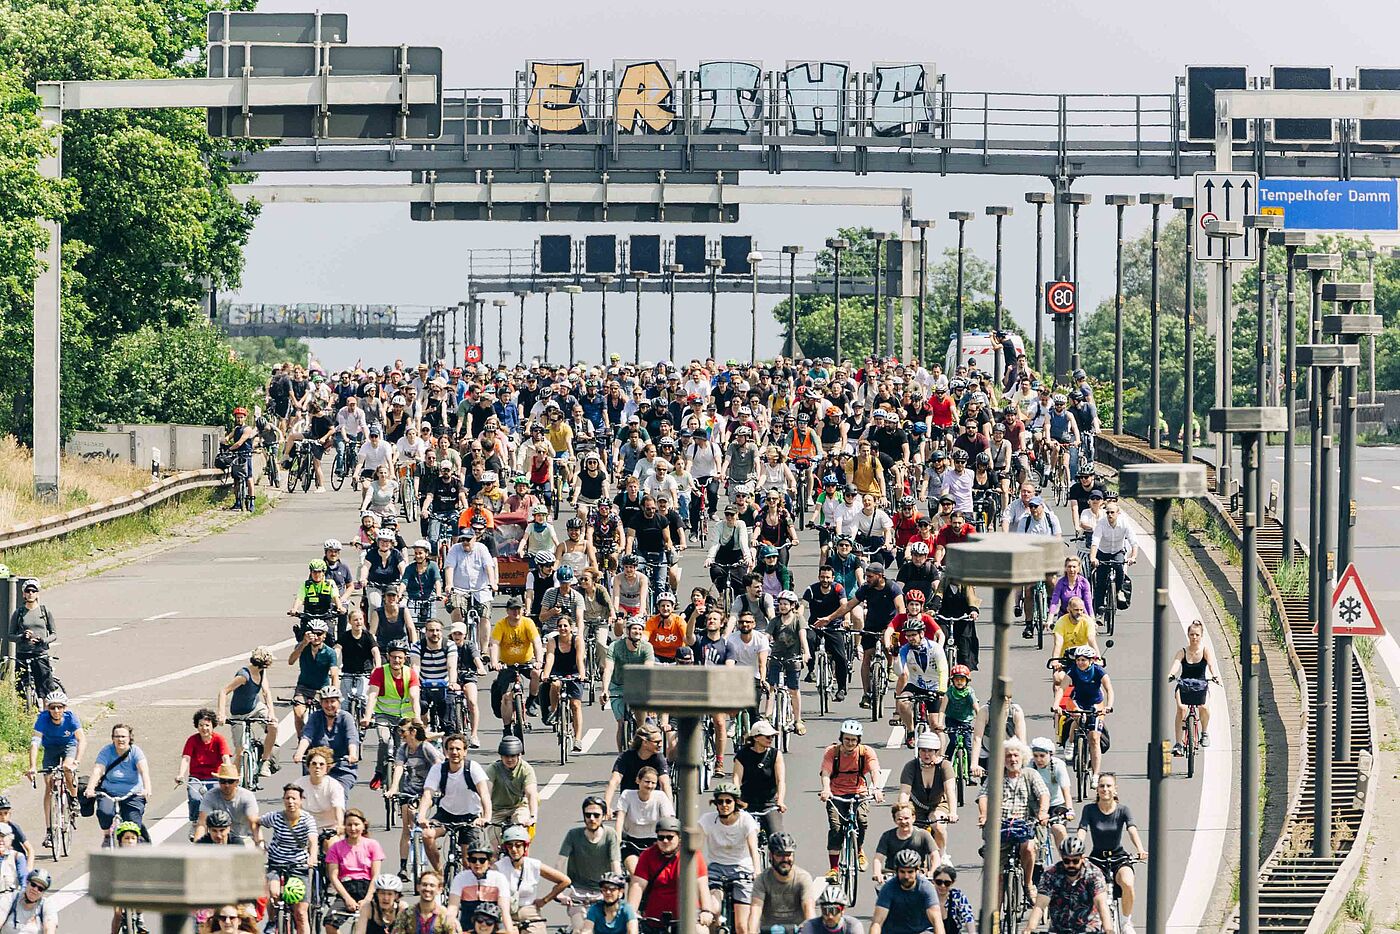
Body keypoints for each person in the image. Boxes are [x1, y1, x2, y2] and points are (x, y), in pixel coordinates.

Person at [975, 740, 1047, 905]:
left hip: (1024, 825)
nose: (1012, 759)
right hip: (1000, 827)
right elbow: (983, 796)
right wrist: (984, 815)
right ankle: (995, 919)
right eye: (1008, 756)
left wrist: (1042, 812)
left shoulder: (1030, 774)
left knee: (1029, 847)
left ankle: (1028, 883)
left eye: (1016, 755)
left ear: (1022, 757)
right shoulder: (996, 776)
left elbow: (1043, 794)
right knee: (998, 877)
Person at [1077, 773, 1145, 932]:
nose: (1105, 789)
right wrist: (1078, 851)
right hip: (1097, 859)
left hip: (1119, 857)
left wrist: (1140, 849)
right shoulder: (1089, 809)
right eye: (1101, 786)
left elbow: (1132, 829)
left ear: (1115, 789)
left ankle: (1126, 921)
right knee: (1089, 890)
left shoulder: (1123, 810)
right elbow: (1082, 830)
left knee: (1127, 883)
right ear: (1097, 789)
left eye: (1108, 786)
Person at [817, 719, 884, 878]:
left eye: (854, 739)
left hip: (859, 791)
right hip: (836, 793)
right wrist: (826, 789)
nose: (850, 742)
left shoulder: (866, 752)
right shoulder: (832, 752)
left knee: (861, 820)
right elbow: (826, 772)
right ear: (841, 738)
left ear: (859, 740)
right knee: (836, 828)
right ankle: (834, 868)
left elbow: (875, 770)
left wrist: (877, 789)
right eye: (847, 739)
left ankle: (859, 849)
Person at [627, 816, 715, 934]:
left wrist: (706, 910)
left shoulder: (691, 855)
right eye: (661, 837)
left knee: (701, 931)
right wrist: (631, 912)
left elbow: (702, 885)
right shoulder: (647, 856)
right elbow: (638, 885)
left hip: (687, 918)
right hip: (654, 919)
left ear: (679, 838)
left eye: (669, 837)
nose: (665, 841)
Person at [699, 782, 759, 934]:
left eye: (728, 801)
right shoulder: (707, 820)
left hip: (742, 870)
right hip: (716, 870)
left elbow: (753, 848)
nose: (724, 805)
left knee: (742, 927)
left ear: (736, 803)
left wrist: (757, 871)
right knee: (713, 912)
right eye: (720, 801)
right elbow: (696, 848)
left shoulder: (746, 820)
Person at [557, 796, 622, 933]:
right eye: (588, 815)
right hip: (578, 893)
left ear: (604, 816)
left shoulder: (610, 835)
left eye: (596, 815)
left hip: (603, 893)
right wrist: (559, 892)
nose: (592, 818)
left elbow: (615, 865)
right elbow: (559, 864)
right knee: (581, 929)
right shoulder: (573, 835)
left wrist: (618, 890)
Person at [261, 784, 319, 934]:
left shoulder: (307, 819)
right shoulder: (276, 816)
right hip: (276, 864)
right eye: (287, 798)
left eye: (294, 798)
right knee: (273, 894)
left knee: (300, 913)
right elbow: (256, 821)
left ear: (301, 801)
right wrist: (259, 841)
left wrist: (312, 856)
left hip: (298, 866)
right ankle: (273, 921)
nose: (290, 802)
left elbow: (313, 840)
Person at [1022, 837, 1111, 934]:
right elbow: (1040, 906)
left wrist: (1108, 929)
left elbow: (1101, 904)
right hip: (1058, 931)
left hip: (1088, 930)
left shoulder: (1093, 874)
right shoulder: (1051, 875)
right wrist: (1029, 928)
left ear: (1082, 858)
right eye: (1067, 861)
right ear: (1062, 858)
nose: (1071, 865)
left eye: (1075, 861)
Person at [496, 824, 571, 934]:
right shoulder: (498, 867)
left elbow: (565, 881)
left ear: (525, 846)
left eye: (518, 845)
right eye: (510, 846)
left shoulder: (533, 865)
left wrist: (545, 900)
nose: (514, 849)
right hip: (506, 913)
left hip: (529, 911)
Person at [85, 723, 150, 848]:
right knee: (104, 812)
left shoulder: (135, 751)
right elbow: (98, 770)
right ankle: (107, 836)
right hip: (109, 792)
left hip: (132, 793)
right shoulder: (107, 751)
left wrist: (147, 789)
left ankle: (136, 850)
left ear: (129, 738)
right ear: (112, 738)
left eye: (123, 736)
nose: (120, 739)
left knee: (133, 823)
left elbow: (144, 771)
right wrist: (90, 788)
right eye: (117, 736)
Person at [219, 646, 280, 779]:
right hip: (239, 715)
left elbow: (266, 692)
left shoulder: (262, 672)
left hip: (256, 707)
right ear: (264, 662)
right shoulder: (243, 676)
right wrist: (221, 714)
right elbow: (223, 691)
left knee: (273, 726)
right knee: (240, 752)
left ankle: (266, 761)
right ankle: (235, 779)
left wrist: (271, 713)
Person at [896, 732, 957, 863]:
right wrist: (902, 811)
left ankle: (942, 854)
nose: (926, 754)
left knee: (939, 826)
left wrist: (953, 812)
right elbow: (905, 792)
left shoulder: (945, 766)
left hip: (938, 804)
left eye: (930, 751)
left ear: (937, 751)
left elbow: (950, 790)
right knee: (909, 832)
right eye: (923, 750)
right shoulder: (911, 767)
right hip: (916, 806)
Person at [489, 596, 544, 741]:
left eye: (518, 609)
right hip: (507, 664)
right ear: (507, 611)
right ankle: (507, 728)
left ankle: (532, 700)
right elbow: (494, 644)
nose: (516, 612)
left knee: (537, 673)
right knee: (506, 697)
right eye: (513, 610)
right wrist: (495, 662)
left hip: (526, 661)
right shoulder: (501, 625)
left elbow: (537, 642)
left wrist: (539, 661)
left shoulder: (528, 623)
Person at [325, 809, 386, 932]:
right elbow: (334, 877)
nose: (353, 828)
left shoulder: (372, 845)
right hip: (346, 889)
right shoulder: (336, 848)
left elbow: (375, 876)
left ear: (363, 825)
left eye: (356, 824)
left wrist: (367, 899)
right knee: (330, 923)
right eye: (349, 825)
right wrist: (347, 899)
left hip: (368, 888)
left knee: (382, 923)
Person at [600, 618, 656, 752]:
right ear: (628, 631)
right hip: (617, 685)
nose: (637, 631)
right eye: (634, 628)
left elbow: (648, 671)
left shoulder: (646, 647)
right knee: (621, 723)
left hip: (637, 686)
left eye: (640, 629)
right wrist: (605, 690)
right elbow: (608, 669)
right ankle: (622, 755)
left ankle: (641, 746)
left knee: (640, 724)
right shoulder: (615, 646)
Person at [172, 707, 230, 829]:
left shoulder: (219, 739)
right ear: (197, 726)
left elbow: (225, 758)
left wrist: (228, 773)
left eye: (207, 725)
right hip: (197, 778)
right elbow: (186, 758)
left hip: (215, 777)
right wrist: (181, 774)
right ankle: (194, 822)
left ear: (213, 726)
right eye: (201, 725)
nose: (204, 728)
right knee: (195, 798)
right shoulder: (192, 740)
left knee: (217, 800)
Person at [1062, 645, 1114, 781]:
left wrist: (1108, 706)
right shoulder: (1073, 670)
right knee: (1077, 716)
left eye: (1083, 660)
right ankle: (1071, 741)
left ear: (1091, 660)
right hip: (1078, 700)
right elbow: (1062, 688)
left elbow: (1109, 690)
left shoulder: (1098, 671)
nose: (1080, 662)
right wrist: (1056, 705)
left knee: (1094, 738)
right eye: (1078, 659)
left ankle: (1096, 775)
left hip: (1095, 703)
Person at [1169, 620, 1220, 755]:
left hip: (1201, 684)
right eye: (1192, 634)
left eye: (1197, 635)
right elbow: (1176, 664)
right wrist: (1172, 674)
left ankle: (1204, 733)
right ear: (1188, 635)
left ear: (1201, 635)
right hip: (1184, 684)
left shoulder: (1204, 651)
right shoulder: (1182, 651)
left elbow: (1211, 665)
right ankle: (1178, 743)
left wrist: (1214, 675)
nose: (1194, 637)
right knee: (1181, 709)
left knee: (1204, 707)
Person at [750, 832, 815, 934]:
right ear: (771, 855)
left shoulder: (803, 878)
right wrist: (751, 931)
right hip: (769, 931)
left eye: (788, 854)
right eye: (780, 855)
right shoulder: (762, 880)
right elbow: (755, 909)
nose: (784, 859)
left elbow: (809, 910)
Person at [730, 720, 785, 836]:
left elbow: (780, 781)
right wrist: (737, 798)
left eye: (772, 737)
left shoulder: (775, 755)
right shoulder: (743, 755)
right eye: (767, 736)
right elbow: (736, 778)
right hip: (747, 803)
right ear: (756, 738)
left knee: (778, 839)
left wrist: (780, 800)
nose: (770, 739)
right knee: (739, 837)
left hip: (769, 804)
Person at [868, 849, 944, 934]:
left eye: (910, 872)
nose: (906, 876)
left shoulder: (926, 888)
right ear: (897, 871)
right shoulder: (888, 888)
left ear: (917, 871)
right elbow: (877, 923)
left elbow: (937, 921)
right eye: (902, 872)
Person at [289, 619, 342, 737]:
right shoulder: (303, 647)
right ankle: (301, 739)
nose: (316, 636)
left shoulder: (330, 652)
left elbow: (334, 674)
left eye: (319, 634)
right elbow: (291, 661)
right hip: (303, 687)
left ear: (324, 636)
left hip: (322, 689)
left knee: (326, 717)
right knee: (298, 713)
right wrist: (303, 643)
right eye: (313, 633)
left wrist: (334, 694)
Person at [614, 766, 673, 872]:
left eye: (653, 783)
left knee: (655, 873)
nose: (650, 786)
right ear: (638, 780)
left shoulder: (660, 796)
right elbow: (620, 819)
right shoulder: (627, 795)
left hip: (655, 843)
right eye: (647, 781)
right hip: (631, 842)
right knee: (636, 872)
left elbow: (667, 820)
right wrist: (618, 841)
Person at [766, 591, 809, 735]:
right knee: (771, 687)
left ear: (793, 605)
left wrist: (806, 652)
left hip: (793, 658)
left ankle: (797, 720)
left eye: (785, 604)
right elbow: (767, 636)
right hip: (776, 658)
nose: (782, 607)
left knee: (793, 690)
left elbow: (803, 636)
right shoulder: (775, 621)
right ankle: (767, 716)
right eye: (780, 604)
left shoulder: (798, 619)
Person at [8, 580, 56, 698]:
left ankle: (46, 714)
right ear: (23, 594)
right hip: (23, 655)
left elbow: (54, 634)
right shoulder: (18, 613)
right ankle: (24, 713)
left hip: (40, 654)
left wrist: (43, 640)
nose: (30, 593)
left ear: (37, 594)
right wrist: (22, 637)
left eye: (33, 591)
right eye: (27, 591)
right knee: (20, 690)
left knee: (46, 691)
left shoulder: (45, 611)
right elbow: (10, 635)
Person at [1089, 502, 1137, 615]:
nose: (1110, 515)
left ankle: (1119, 590)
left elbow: (1134, 542)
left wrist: (1133, 557)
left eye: (1112, 512)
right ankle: (1099, 609)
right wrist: (1093, 558)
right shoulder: (1101, 524)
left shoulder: (1124, 523)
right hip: (1103, 552)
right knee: (1100, 581)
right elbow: (1095, 542)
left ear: (1118, 513)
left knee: (1119, 567)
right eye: (1108, 512)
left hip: (1117, 551)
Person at [195, 763, 260, 843]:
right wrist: (196, 848)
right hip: (218, 838)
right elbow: (202, 824)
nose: (226, 785)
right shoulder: (210, 796)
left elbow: (254, 822)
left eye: (230, 781)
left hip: (244, 838)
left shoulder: (247, 796)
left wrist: (260, 843)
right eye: (223, 781)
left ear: (237, 782)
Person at [393, 871, 459, 933]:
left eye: (432, 885)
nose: (427, 889)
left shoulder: (446, 916)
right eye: (424, 884)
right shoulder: (406, 914)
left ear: (439, 890)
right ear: (418, 887)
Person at [0, 869, 54, 934]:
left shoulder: (46, 905)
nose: (35, 889)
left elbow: (49, 928)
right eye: (33, 885)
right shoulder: (10, 898)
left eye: (40, 889)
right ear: (27, 883)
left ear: (43, 892)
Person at [797, 885, 863, 934]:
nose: (830, 916)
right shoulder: (811, 926)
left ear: (842, 910)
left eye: (834, 911)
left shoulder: (853, 926)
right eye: (826, 911)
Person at [931, 866, 974, 934]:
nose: (942, 886)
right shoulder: (928, 896)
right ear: (933, 881)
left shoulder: (957, 896)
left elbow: (968, 917)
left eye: (947, 883)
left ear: (953, 882)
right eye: (939, 882)